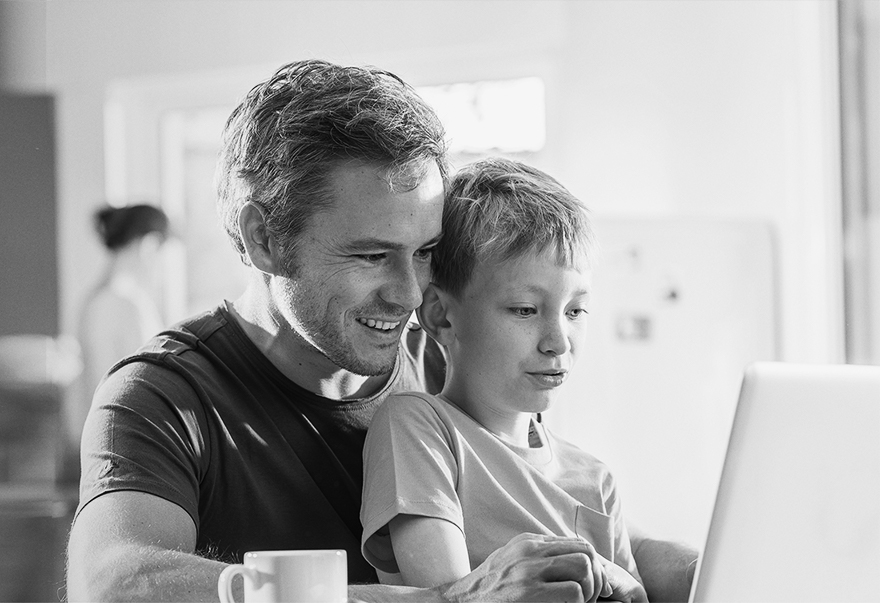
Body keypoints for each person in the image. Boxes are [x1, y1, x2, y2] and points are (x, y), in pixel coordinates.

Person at [66, 60, 699, 603]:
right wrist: (442, 600)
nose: (409, 293)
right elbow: (119, 583)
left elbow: (570, 515)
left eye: (424, 250)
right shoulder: (163, 397)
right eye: (371, 256)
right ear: (264, 239)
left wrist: (714, 567)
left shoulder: (437, 347)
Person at [359, 158, 645, 602]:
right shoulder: (420, 430)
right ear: (441, 316)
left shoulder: (596, 479)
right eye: (525, 310)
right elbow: (452, 594)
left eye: (575, 311)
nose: (558, 342)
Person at [69, 204, 170, 451]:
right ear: (149, 244)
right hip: (121, 447)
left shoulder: (102, 300)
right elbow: (114, 388)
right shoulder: (118, 303)